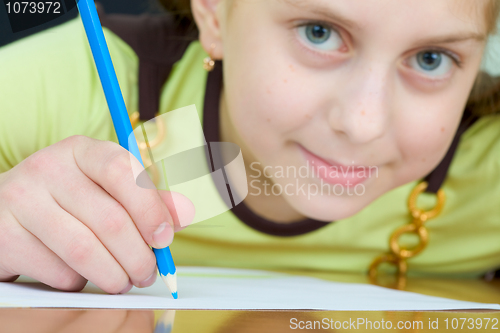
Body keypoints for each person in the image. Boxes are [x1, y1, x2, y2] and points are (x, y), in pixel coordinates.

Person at [0, 0, 499, 294]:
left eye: (432, 59)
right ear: (215, 14)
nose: (364, 123)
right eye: (319, 33)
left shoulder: (488, 168)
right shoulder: (56, 89)